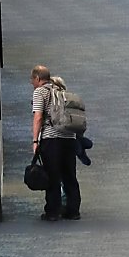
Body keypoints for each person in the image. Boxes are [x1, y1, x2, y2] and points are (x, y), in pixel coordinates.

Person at [30, 62, 81, 221]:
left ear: (38, 78)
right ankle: (73, 211)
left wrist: (35, 140)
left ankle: (53, 211)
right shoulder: (61, 91)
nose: (32, 83)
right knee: (69, 175)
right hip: (69, 138)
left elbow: (38, 117)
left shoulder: (40, 92)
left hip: (51, 139)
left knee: (52, 175)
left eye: (32, 80)